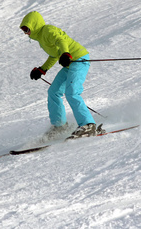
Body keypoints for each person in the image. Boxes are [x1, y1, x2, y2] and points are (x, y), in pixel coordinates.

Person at [19, 11, 98, 139]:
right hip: (69, 64)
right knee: (53, 92)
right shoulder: (41, 39)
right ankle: (60, 126)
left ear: (34, 25)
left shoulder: (48, 30)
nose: (26, 33)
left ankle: (89, 125)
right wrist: (42, 69)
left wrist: (66, 53)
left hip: (78, 59)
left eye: (27, 29)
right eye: (23, 30)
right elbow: (54, 55)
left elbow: (61, 40)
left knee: (72, 92)